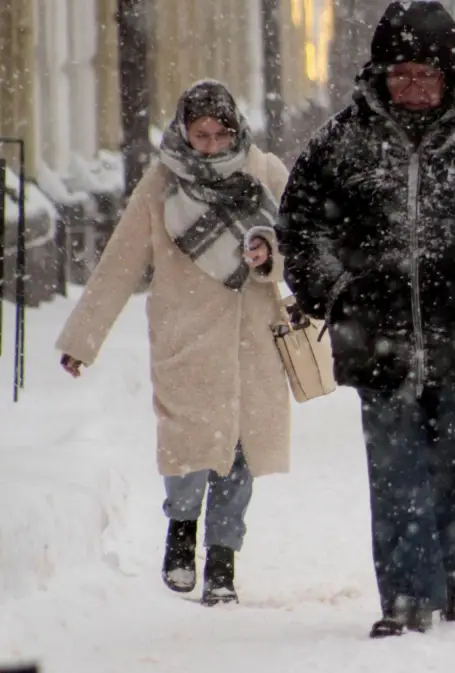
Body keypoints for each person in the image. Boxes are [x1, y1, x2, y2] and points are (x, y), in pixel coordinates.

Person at [276, 0, 455, 638]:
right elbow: (300, 226)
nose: (411, 88)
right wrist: (336, 293)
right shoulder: (342, 142)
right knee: (397, 471)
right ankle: (408, 597)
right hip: (376, 338)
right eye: (399, 74)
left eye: (425, 75)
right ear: (379, 75)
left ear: (452, 76)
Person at [55, 80, 293, 606]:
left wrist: (267, 253)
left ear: (235, 130)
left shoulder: (265, 172)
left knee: (240, 453)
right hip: (185, 335)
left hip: (251, 338)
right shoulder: (161, 184)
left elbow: (297, 244)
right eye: (199, 134)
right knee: (187, 445)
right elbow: (121, 262)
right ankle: (181, 533)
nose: (209, 144)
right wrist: (82, 340)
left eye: (218, 133)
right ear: (184, 132)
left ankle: (223, 561)